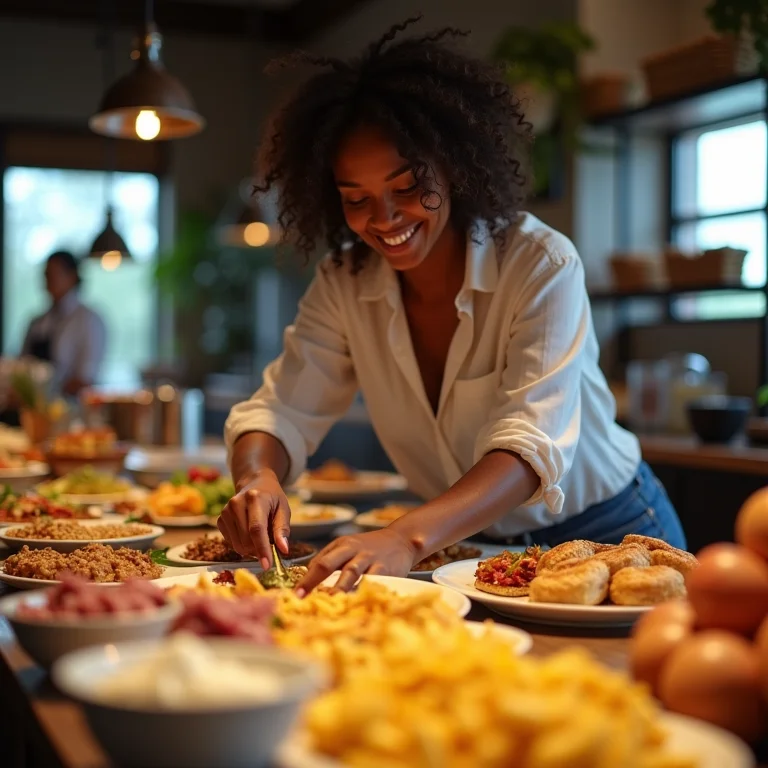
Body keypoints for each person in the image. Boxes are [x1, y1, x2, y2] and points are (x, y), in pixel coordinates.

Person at [220, 18, 686, 594]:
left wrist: (406, 538)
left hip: (610, 533)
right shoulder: (343, 281)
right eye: (356, 200)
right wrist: (257, 476)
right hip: (469, 549)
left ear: (454, 165)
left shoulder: (540, 263)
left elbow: (528, 444)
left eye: (408, 186)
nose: (385, 219)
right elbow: (280, 409)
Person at [21, 250, 106, 396]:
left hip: (71, 410)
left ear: (72, 276)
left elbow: (85, 379)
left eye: (54, 275)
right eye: (46, 275)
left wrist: (49, 388)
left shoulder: (89, 321)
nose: (48, 281)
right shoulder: (37, 322)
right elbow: (22, 368)